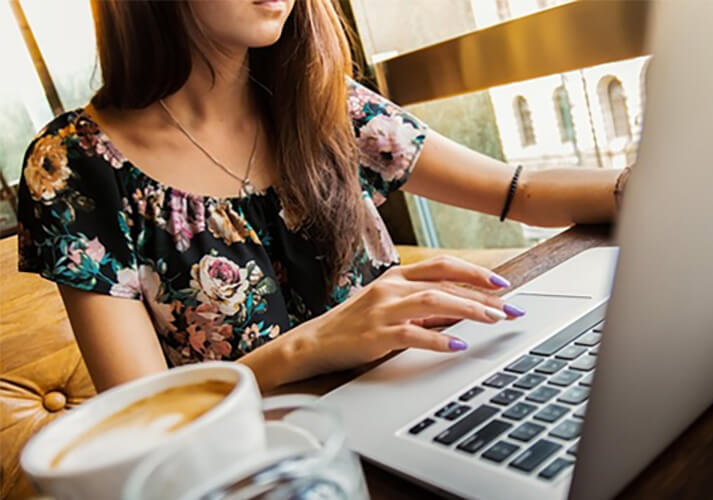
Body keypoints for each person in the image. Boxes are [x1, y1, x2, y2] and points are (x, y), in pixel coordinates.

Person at [17, 0, 627, 393]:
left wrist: (652, 187)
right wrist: (311, 346)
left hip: (416, 399)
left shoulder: (323, 102)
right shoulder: (74, 165)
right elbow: (143, 414)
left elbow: (515, 191)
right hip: (261, 466)